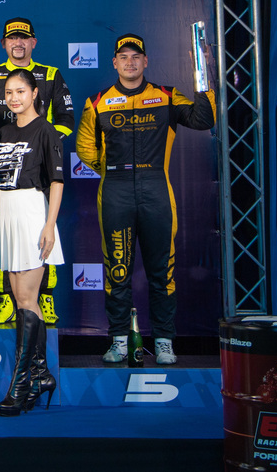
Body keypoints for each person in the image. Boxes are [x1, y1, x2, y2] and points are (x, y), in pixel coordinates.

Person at [76, 34, 215, 366]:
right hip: (116, 191)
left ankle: (164, 341)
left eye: (136, 56)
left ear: (146, 61)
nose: (130, 62)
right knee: (117, 270)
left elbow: (203, 119)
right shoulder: (98, 102)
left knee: (161, 271)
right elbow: (84, 147)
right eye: (123, 57)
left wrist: (204, 77)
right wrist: (111, 170)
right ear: (114, 63)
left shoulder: (166, 96)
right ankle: (119, 340)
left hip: (156, 189)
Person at [0, 17, 74, 326]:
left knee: (41, 247)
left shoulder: (51, 75)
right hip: (2, 181)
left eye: (23, 38)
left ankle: (46, 298)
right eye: (12, 38)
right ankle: (6, 301)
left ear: (33, 42)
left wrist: (38, 151)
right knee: (8, 249)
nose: (18, 43)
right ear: (4, 43)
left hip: (35, 185)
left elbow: (66, 120)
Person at [0, 68, 64, 417]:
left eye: (20, 91)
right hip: (7, 213)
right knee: (21, 300)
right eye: (9, 92)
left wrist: (49, 225)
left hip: (33, 213)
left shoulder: (46, 130)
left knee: (26, 299)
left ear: (35, 94)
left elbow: (57, 181)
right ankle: (40, 373)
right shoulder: (4, 132)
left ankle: (21, 383)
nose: (14, 97)